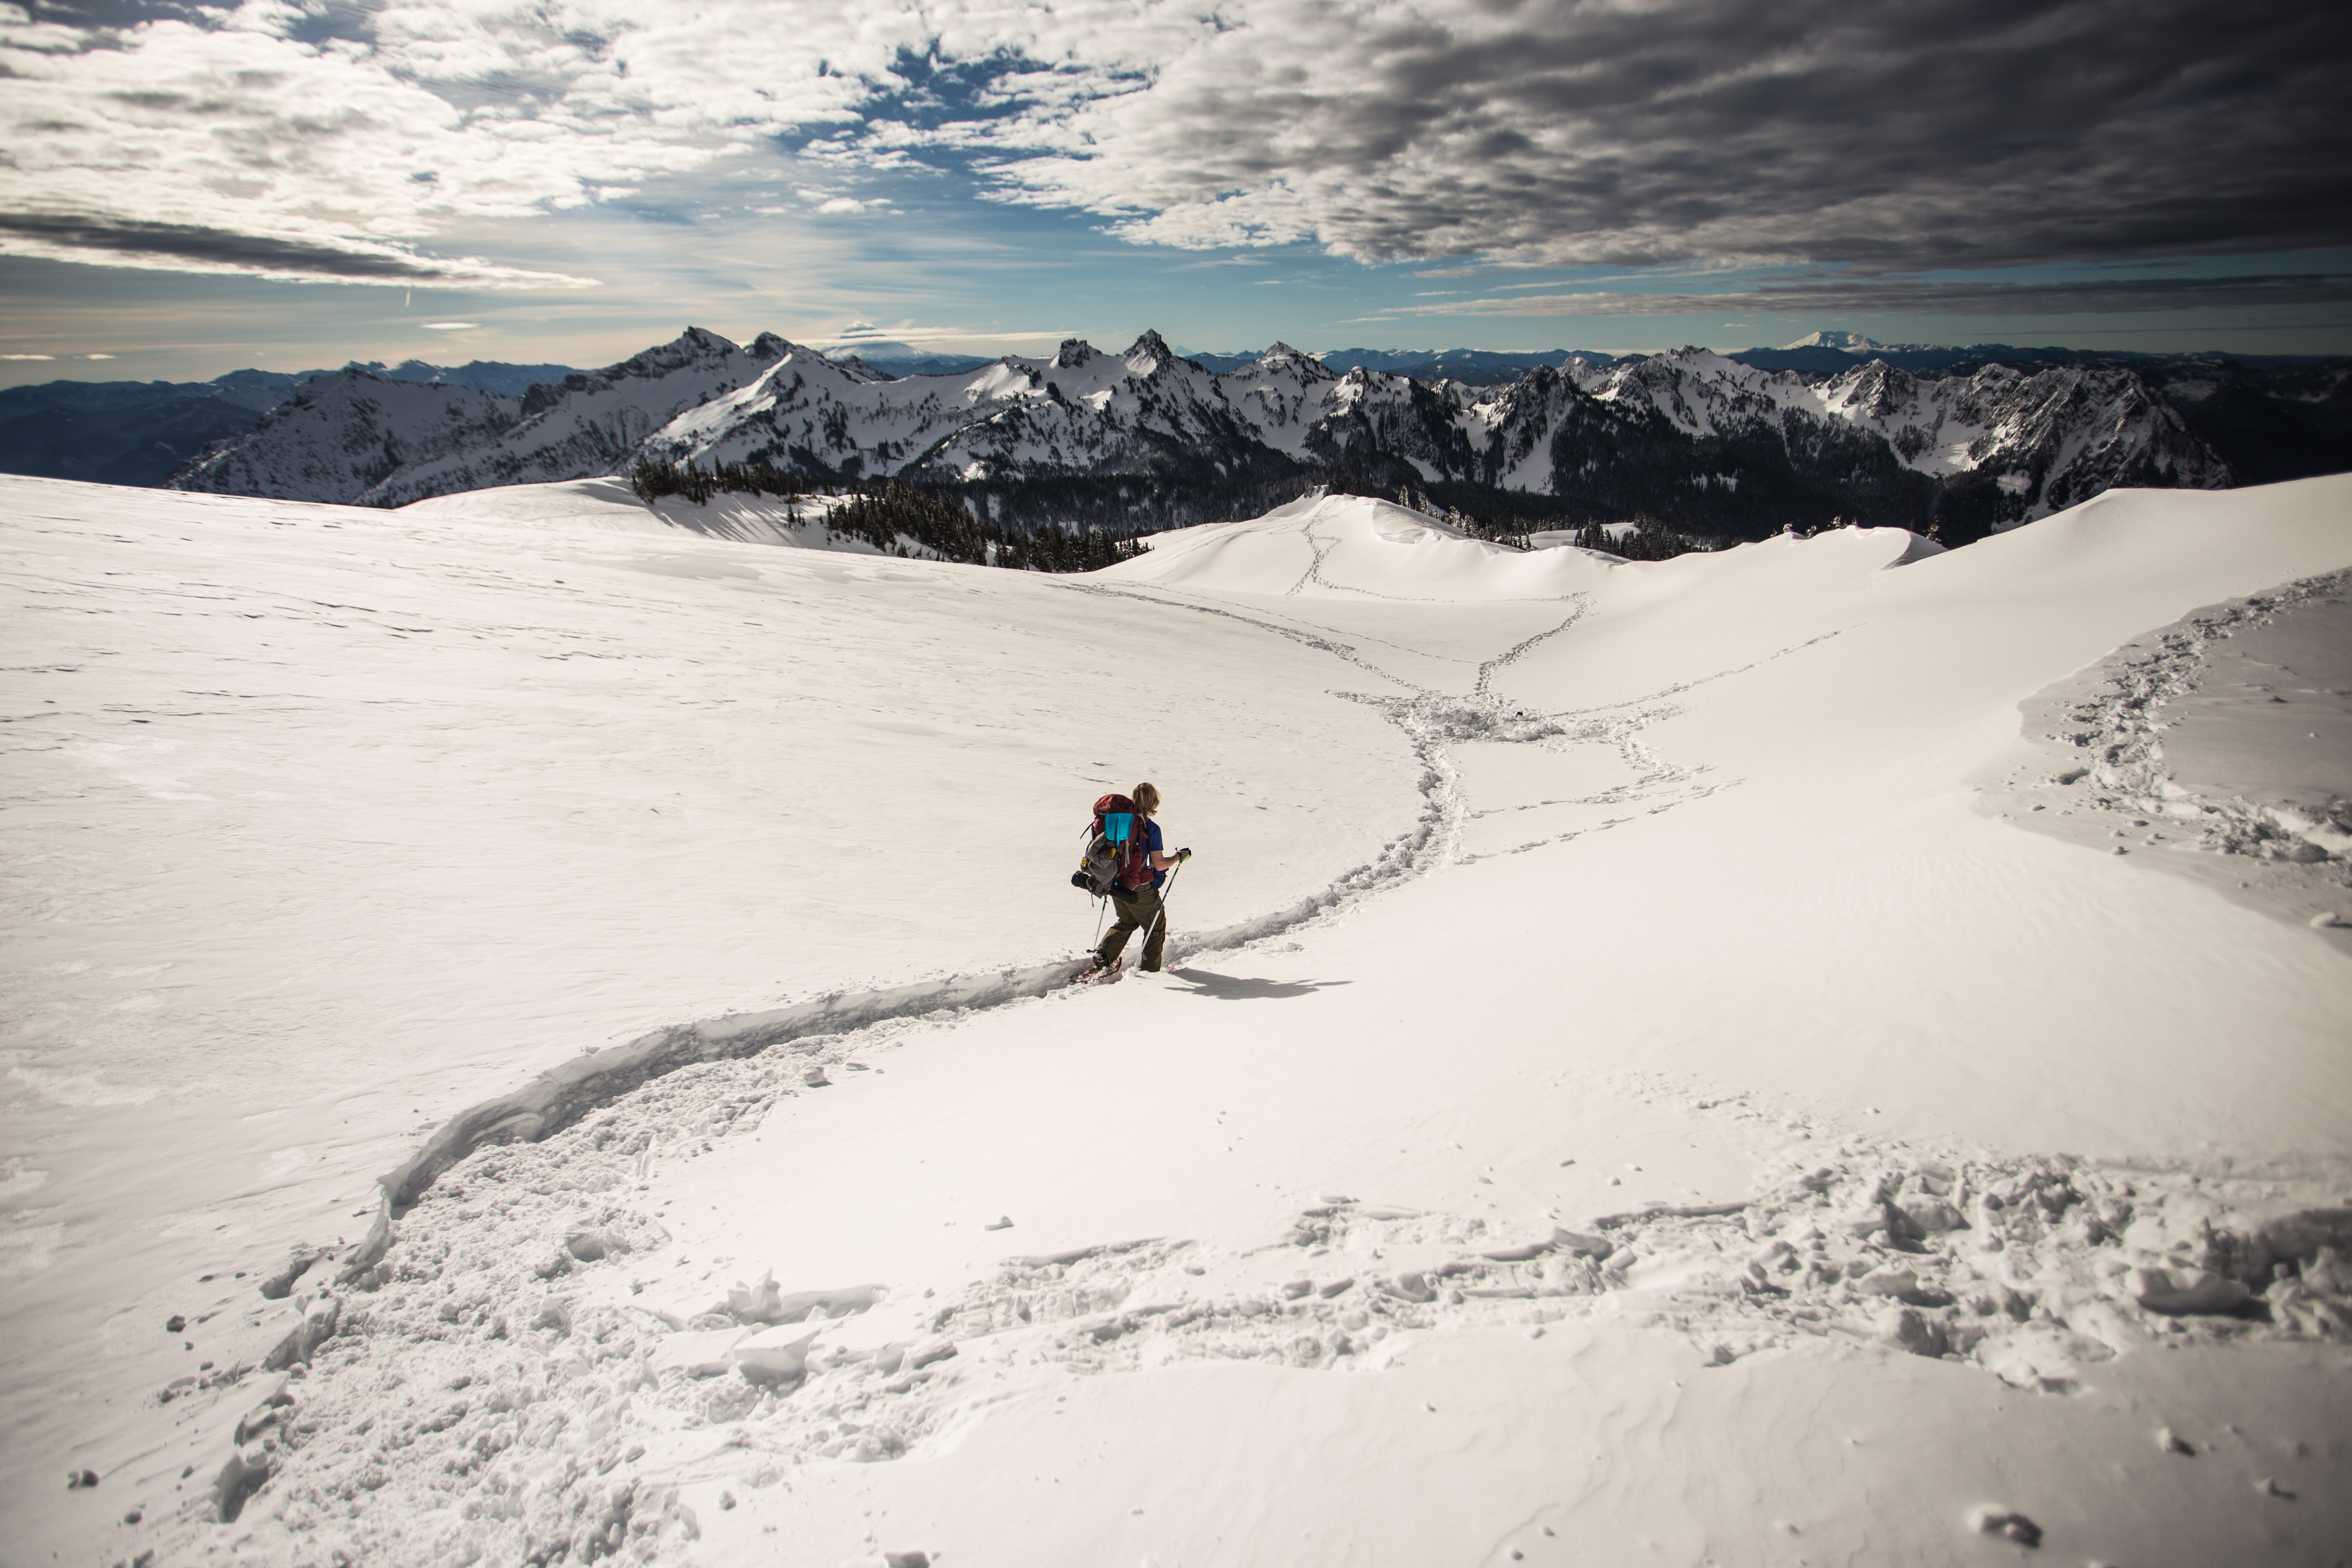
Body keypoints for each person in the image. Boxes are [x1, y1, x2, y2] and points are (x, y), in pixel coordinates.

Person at [1089, 781, 1190, 975]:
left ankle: (1104, 954)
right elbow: (1159, 864)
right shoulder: (1150, 828)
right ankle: (1148, 973)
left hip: (1113, 880)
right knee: (1156, 926)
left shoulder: (1118, 824)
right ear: (1153, 803)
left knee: (1128, 921)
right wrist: (1179, 856)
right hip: (1137, 886)